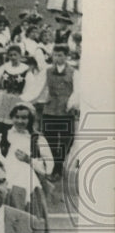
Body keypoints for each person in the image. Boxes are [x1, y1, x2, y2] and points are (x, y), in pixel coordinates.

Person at [0, 104, 53, 230]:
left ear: (30, 119)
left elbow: (49, 166)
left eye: (24, 118)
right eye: (17, 117)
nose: (20, 121)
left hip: (28, 182)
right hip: (8, 179)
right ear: (12, 118)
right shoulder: (4, 135)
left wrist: (29, 160)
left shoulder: (37, 138)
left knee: (29, 216)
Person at [38, 44, 79, 181]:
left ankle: (59, 164)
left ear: (66, 56)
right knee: (50, 139)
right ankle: (53, 168)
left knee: (67, 139)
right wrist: (27, 98)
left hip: (66, 111)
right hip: (50, 110)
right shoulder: (47, 71)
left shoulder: (74, 72)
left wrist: (71, 103)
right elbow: (37, 87)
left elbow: (77, 90)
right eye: (55, 55)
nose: (57, 58)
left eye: (60, 55)